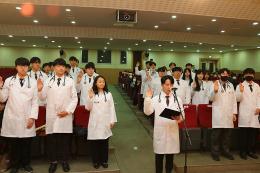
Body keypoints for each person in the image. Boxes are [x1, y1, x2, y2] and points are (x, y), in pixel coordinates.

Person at [37, 58, 78, 173]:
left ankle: (65, 161)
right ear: (54, 67)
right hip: (52, 115)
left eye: (63, 66)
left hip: (65, 115)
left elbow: (75, 98)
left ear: (65, 68)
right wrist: (39, 90)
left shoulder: (70, 81)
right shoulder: (48, 80)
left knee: (64, 140)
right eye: (58, 66)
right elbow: (42, 97)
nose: (61, 68)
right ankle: (53, 162)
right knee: (52, 140)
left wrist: (68, 111)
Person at [0, 57, 39, 173]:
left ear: (28, 67)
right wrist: (0, 86)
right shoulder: (9, 81)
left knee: (26, 143)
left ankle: (26, 164)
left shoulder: (32, 82)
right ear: (16, 67)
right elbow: (2, 98)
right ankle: (14, 165)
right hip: (12, 116)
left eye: (25, 66)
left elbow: (35, 101)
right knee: (14, 144)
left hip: (27, 116)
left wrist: (32, 117)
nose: (23, 68)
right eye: (20, 66)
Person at [144, 75, 184, 173]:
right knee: (159, 158)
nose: (168, 86)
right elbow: (147, 112)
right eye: (166, 84)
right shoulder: (155, 98)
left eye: (170, 84)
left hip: (172, 131)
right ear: (162, 85)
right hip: (160, 132)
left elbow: (182, 115)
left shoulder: (177, 99)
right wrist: (148, 99)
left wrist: (179, 118)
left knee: (170, 160)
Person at [85, 75, 117, 169]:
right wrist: (90, 98)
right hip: (95, 122)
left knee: (104, 142)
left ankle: (104, 160)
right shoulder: (92, 94)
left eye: (103, 81)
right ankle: (96, 161)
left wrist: (112, 120)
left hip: (105, 122)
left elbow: (112, 108)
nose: (101, 83)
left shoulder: (108, 94)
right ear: (95, 83)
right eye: (99, 81)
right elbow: (88, 108)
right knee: (95, 143)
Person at [209, 68, 237, 161]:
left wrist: (234, 113)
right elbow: (210, 98)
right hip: (218, 113)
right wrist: (215, 91)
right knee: (216, 136)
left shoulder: (231, 85)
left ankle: (226, 151)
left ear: (228, 75)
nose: (224, 75)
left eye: (226, 74)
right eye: (223, 73)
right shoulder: (214, 83)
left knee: (227, 136)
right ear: (219, 74)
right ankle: (215, 153)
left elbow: (234, 100)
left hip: (228, 114)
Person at [236, 68, 260, 160]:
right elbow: (237, 99)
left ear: (253, 75)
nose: (249, 75)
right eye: (247, 74)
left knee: (252, 134)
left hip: (254, 113)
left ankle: (250, 151)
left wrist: (259, 107)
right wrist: (241, 91)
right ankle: (242, 152)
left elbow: (259, 97)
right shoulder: (240, 85)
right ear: (244, 75)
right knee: (244, 135)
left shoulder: (257, 86)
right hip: (244, 113)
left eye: (251, 74)